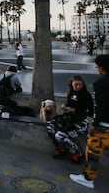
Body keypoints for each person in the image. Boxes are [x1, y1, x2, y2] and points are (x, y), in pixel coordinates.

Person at [70, 55, 109, 189]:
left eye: (97, 66)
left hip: (103, 126)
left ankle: (88, 178)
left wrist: (95, 123)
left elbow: (101, 106)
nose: (96, 68)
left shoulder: (101, 83)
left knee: (92, 153)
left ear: (102, 68)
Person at [46, 75, 93, 163]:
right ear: (71, 85)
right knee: (50, 126)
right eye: (76, 85)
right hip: (69, 119)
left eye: (80, 85)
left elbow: (91, 112)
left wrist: (76, 110)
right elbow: (69, 105)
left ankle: (77, 153)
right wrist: (65, 107)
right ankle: (61, 148)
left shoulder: (87, 96)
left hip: (81, 121)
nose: (78, 87)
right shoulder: (70, 93)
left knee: (59, 135)